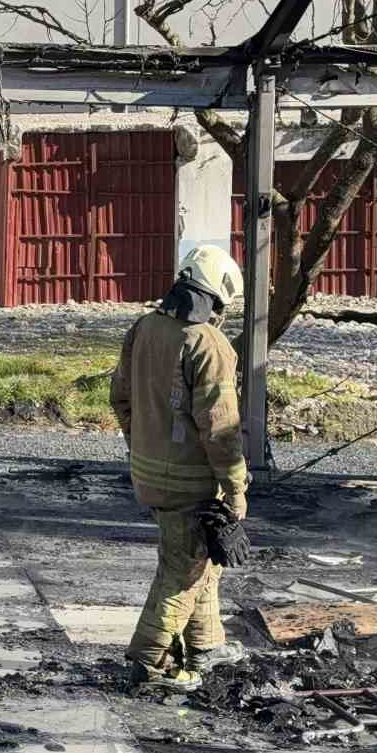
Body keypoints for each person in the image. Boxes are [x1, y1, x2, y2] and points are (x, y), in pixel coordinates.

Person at [110, 245, 251, 693]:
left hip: (148, 476)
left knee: (200, 562)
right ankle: (146, 662)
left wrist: (142, 445)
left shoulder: (145, 327)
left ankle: (205, 651)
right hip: (191, 483)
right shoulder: (208, 344)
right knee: (182, 572)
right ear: (218, 298)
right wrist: (235, 489)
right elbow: (221, 428)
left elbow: (120, 397)